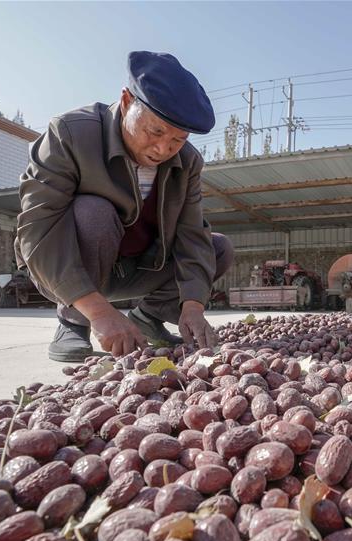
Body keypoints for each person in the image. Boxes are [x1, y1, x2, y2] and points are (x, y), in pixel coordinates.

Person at [15, 51, 233, 362]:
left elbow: (191, 234)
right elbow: (37, 229)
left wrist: (193, 305)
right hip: (75, 267)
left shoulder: (188, 163)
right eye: (155, 132)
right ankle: (72, 322)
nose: (163, 149)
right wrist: (99, 311)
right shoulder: (69, 133)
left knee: (217, 248)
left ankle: (148, 318)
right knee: (94, 212)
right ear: (127, 100)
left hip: (141, 268)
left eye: (178, 139)